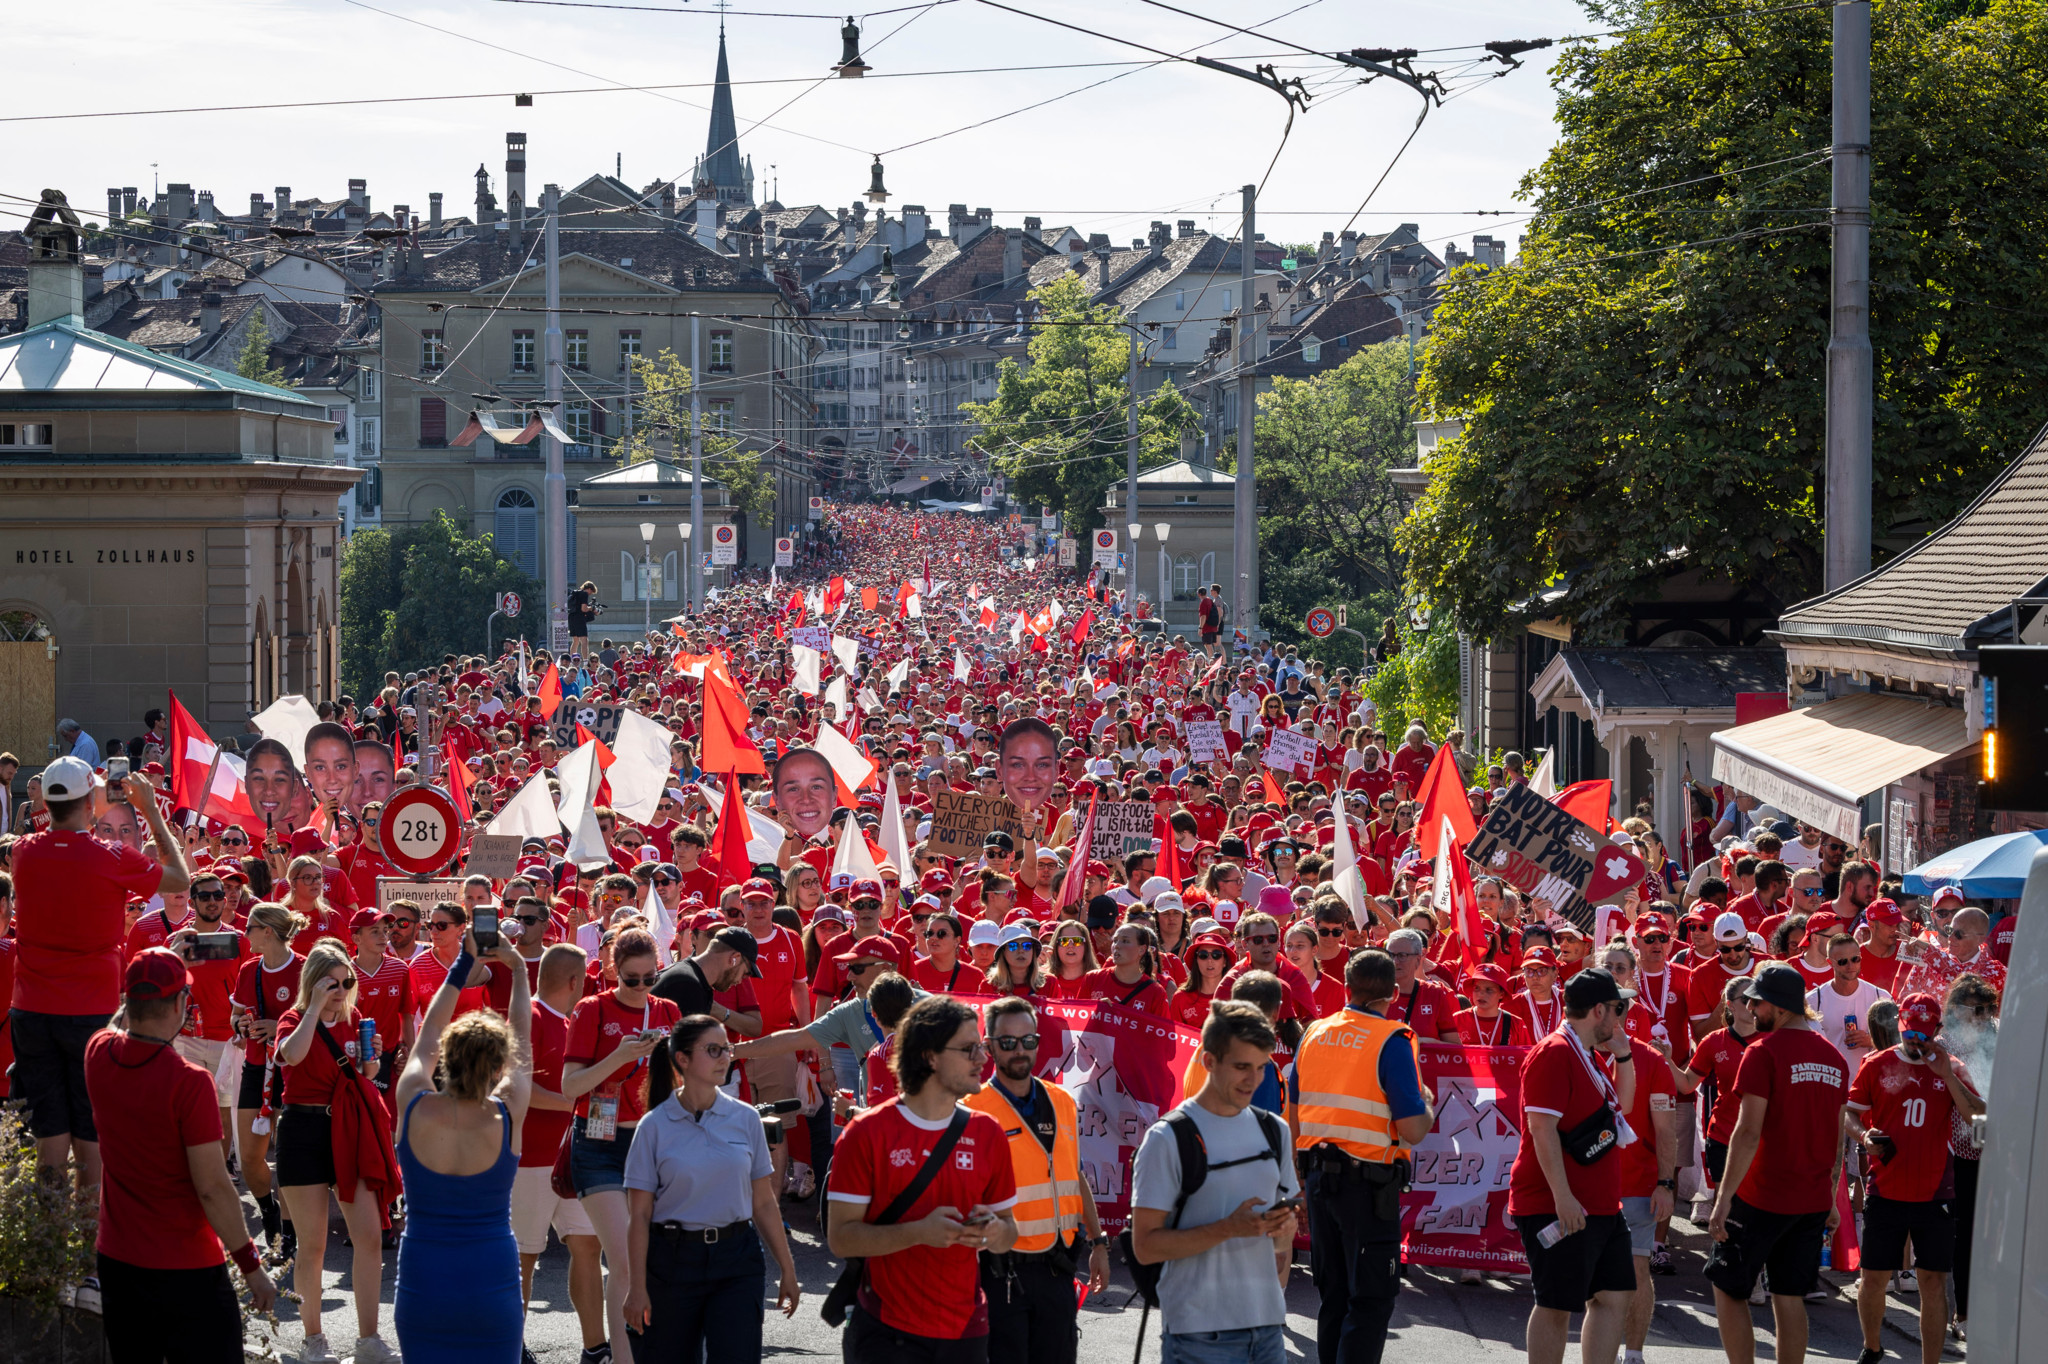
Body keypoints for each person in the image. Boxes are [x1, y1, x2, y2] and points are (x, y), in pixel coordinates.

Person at [85, 949, 276, 1362]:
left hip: (118, 1260)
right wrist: (252, 1267)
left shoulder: (98, 1052)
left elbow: (118, 1024)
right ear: (180, 1005)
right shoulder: (189, 1082)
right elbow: (211, 1187)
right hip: (187, 1268)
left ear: (129, 1000)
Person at [11, 759, 188, 1187]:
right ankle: (89, 1245)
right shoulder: (110, 857)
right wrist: (148, 811)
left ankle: (53, 1244)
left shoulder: (22, 851)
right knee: (91, 1137)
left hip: (31, 1010)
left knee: (49, 1136)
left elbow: (59, 836)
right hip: (90, 1012)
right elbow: (179, 876)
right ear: (91, 800)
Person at [826, 994, 1019, 1362]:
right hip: (887, 1331)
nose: (983, 1058)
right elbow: (840, 1239)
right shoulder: (866, 1133)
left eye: (980, 1047)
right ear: (930, 1056)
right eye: (968, 1049)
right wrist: (918, 1232)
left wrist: (995, 1230)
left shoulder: (988, 1133)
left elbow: (1009, 1232)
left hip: (967, 1330)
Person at [620, 1015, 801, 1364]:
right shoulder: (653, 1127)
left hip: (736, 1261)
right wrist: (636, 1287)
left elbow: (763, 1203)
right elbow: (639, 1215)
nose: (725, 1058)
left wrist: (788, 1270)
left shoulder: (746, 1118)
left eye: (727, 1049)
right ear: (682, 1059)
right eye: (713, 1050)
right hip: (670, 1264)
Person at [1130, 1000, 1300, 1364]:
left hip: (1268, 1329)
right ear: (1208, 1061)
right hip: (1199, 1334)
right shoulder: (1167, 1138)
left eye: (1261, 1067)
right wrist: (1227, 1228)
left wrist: (1284, 1229)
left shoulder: (1276, 1131)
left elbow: (1280, 1245)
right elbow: (1145, 1246)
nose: (1254, 1079)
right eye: (1241, 1067)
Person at [392, 928, 534, 1363]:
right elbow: (524, 1046)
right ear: (499, 1065)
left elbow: (428, 1032)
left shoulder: (414, 1101)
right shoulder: (507, 1111)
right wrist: (519, 970)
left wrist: (461, 964)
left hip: (424, 1279)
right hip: (490, 1279)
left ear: (446, 1057)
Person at [1703, 964, 1851, 1364]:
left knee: (1729, 1287)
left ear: (1778, 1006)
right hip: (1810, 1200)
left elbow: (1747, 1132)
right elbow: (1837, 1142)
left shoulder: (1761, 1052)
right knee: (1789, 1296)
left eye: (1756, 1001)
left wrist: (1723, 1199)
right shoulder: (1834, 1058)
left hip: (1761, 1196)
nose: (1750, 1009)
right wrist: (1832, 1200)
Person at [1292, 949, 1434, 1364]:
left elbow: (1295, 1116)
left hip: (1319, 1179)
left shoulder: (1314, 1032)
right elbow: (1413, 1129)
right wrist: (1425, 1104)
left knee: (1333, 1296)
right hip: (1368, 1188)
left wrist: (1301, 1183)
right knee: (1371, 1299)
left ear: (1347, 989)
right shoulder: (1392, 1039)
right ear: (1393, 992)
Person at [964, 997, 1111, 1364]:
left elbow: (1074, 1176)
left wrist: (1099, 1243)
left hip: (1057, 1270)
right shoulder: (971, 1110)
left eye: (1028, 1041)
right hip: (1001, 1275)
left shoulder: (1062, 1101)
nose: (1019, 1050)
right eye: (1008, 1042)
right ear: (988, 1047)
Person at [275, 939, 401, 1363]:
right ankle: (314, 1340)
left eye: (347, 981)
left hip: (349, 1129)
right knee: (311, 1246)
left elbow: (366, 1074)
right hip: (303, 1130)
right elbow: (288, 1057)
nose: (342, 990)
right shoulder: (294, 1018)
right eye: (332, 983)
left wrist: (373, 1059)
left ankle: (369, 1340)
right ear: (313, 983)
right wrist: (313, 1009)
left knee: (369, 1237)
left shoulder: (357, 1018)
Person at [561, 927, 682, 1364]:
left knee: (649, 1263)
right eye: (631, 979)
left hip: (654, 1143)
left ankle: (644, 1351)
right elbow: (570, 1084)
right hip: (599, 1142)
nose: (641, 987)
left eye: (650, 977)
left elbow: (685, 1083)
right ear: (613, 970)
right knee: (624, 1261)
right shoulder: (592, 1008)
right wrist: (620, 1057)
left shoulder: (668, 1010)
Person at [1505, 967, 1639, 1364]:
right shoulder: (1554, 1052)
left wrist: (1624, 1055)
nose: (1622, 1016)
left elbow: (1624, 1108)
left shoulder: (1587, 1054)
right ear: (1599, 1010)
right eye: (1618, 1007)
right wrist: (1563, 1197)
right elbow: (1541, 1129)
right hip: (1558, 1203)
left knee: (1615, 1295)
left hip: (1599, 1203)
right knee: (1556, 1304)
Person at [1844, 992, 1984, 1364]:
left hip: (1936, 1192)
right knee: (1874, 1278)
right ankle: (1872, 1347)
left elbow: (1978, 1117)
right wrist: (1863, 1136)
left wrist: (1947, 1077)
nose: (1916, 1041)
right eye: (1910, 1033)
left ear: (1937, 1030)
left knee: (1932, 1282)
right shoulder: (1876, 1064)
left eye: (1924, 1035)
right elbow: (1850, 1114)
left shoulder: (1952, 1066)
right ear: (1899, 1025)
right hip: (1886, 1188)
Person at [516, 944, 609, 1363]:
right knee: (524, 1256)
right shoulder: (529, 1018)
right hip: (530, 1159)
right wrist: (574, 1101)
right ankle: (508, 1343)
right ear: (574, 982)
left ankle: (595, 1346)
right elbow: (519, 1089)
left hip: (573, 1152)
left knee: (588, 1247)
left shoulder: (571, 1020)